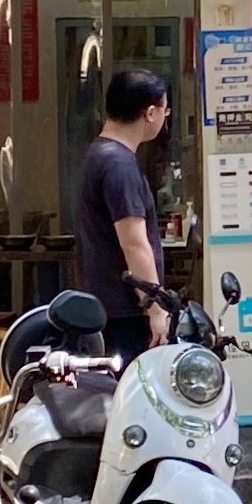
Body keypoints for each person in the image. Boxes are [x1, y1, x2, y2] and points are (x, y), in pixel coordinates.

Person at [74, 69, 172, 362]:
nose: (164, 118)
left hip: (108, 306)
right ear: (150, 113)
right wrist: (155, 307)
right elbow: (134, 243)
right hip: (125, 311)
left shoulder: (99, 154)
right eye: (165, 111)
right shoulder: (119, 164)